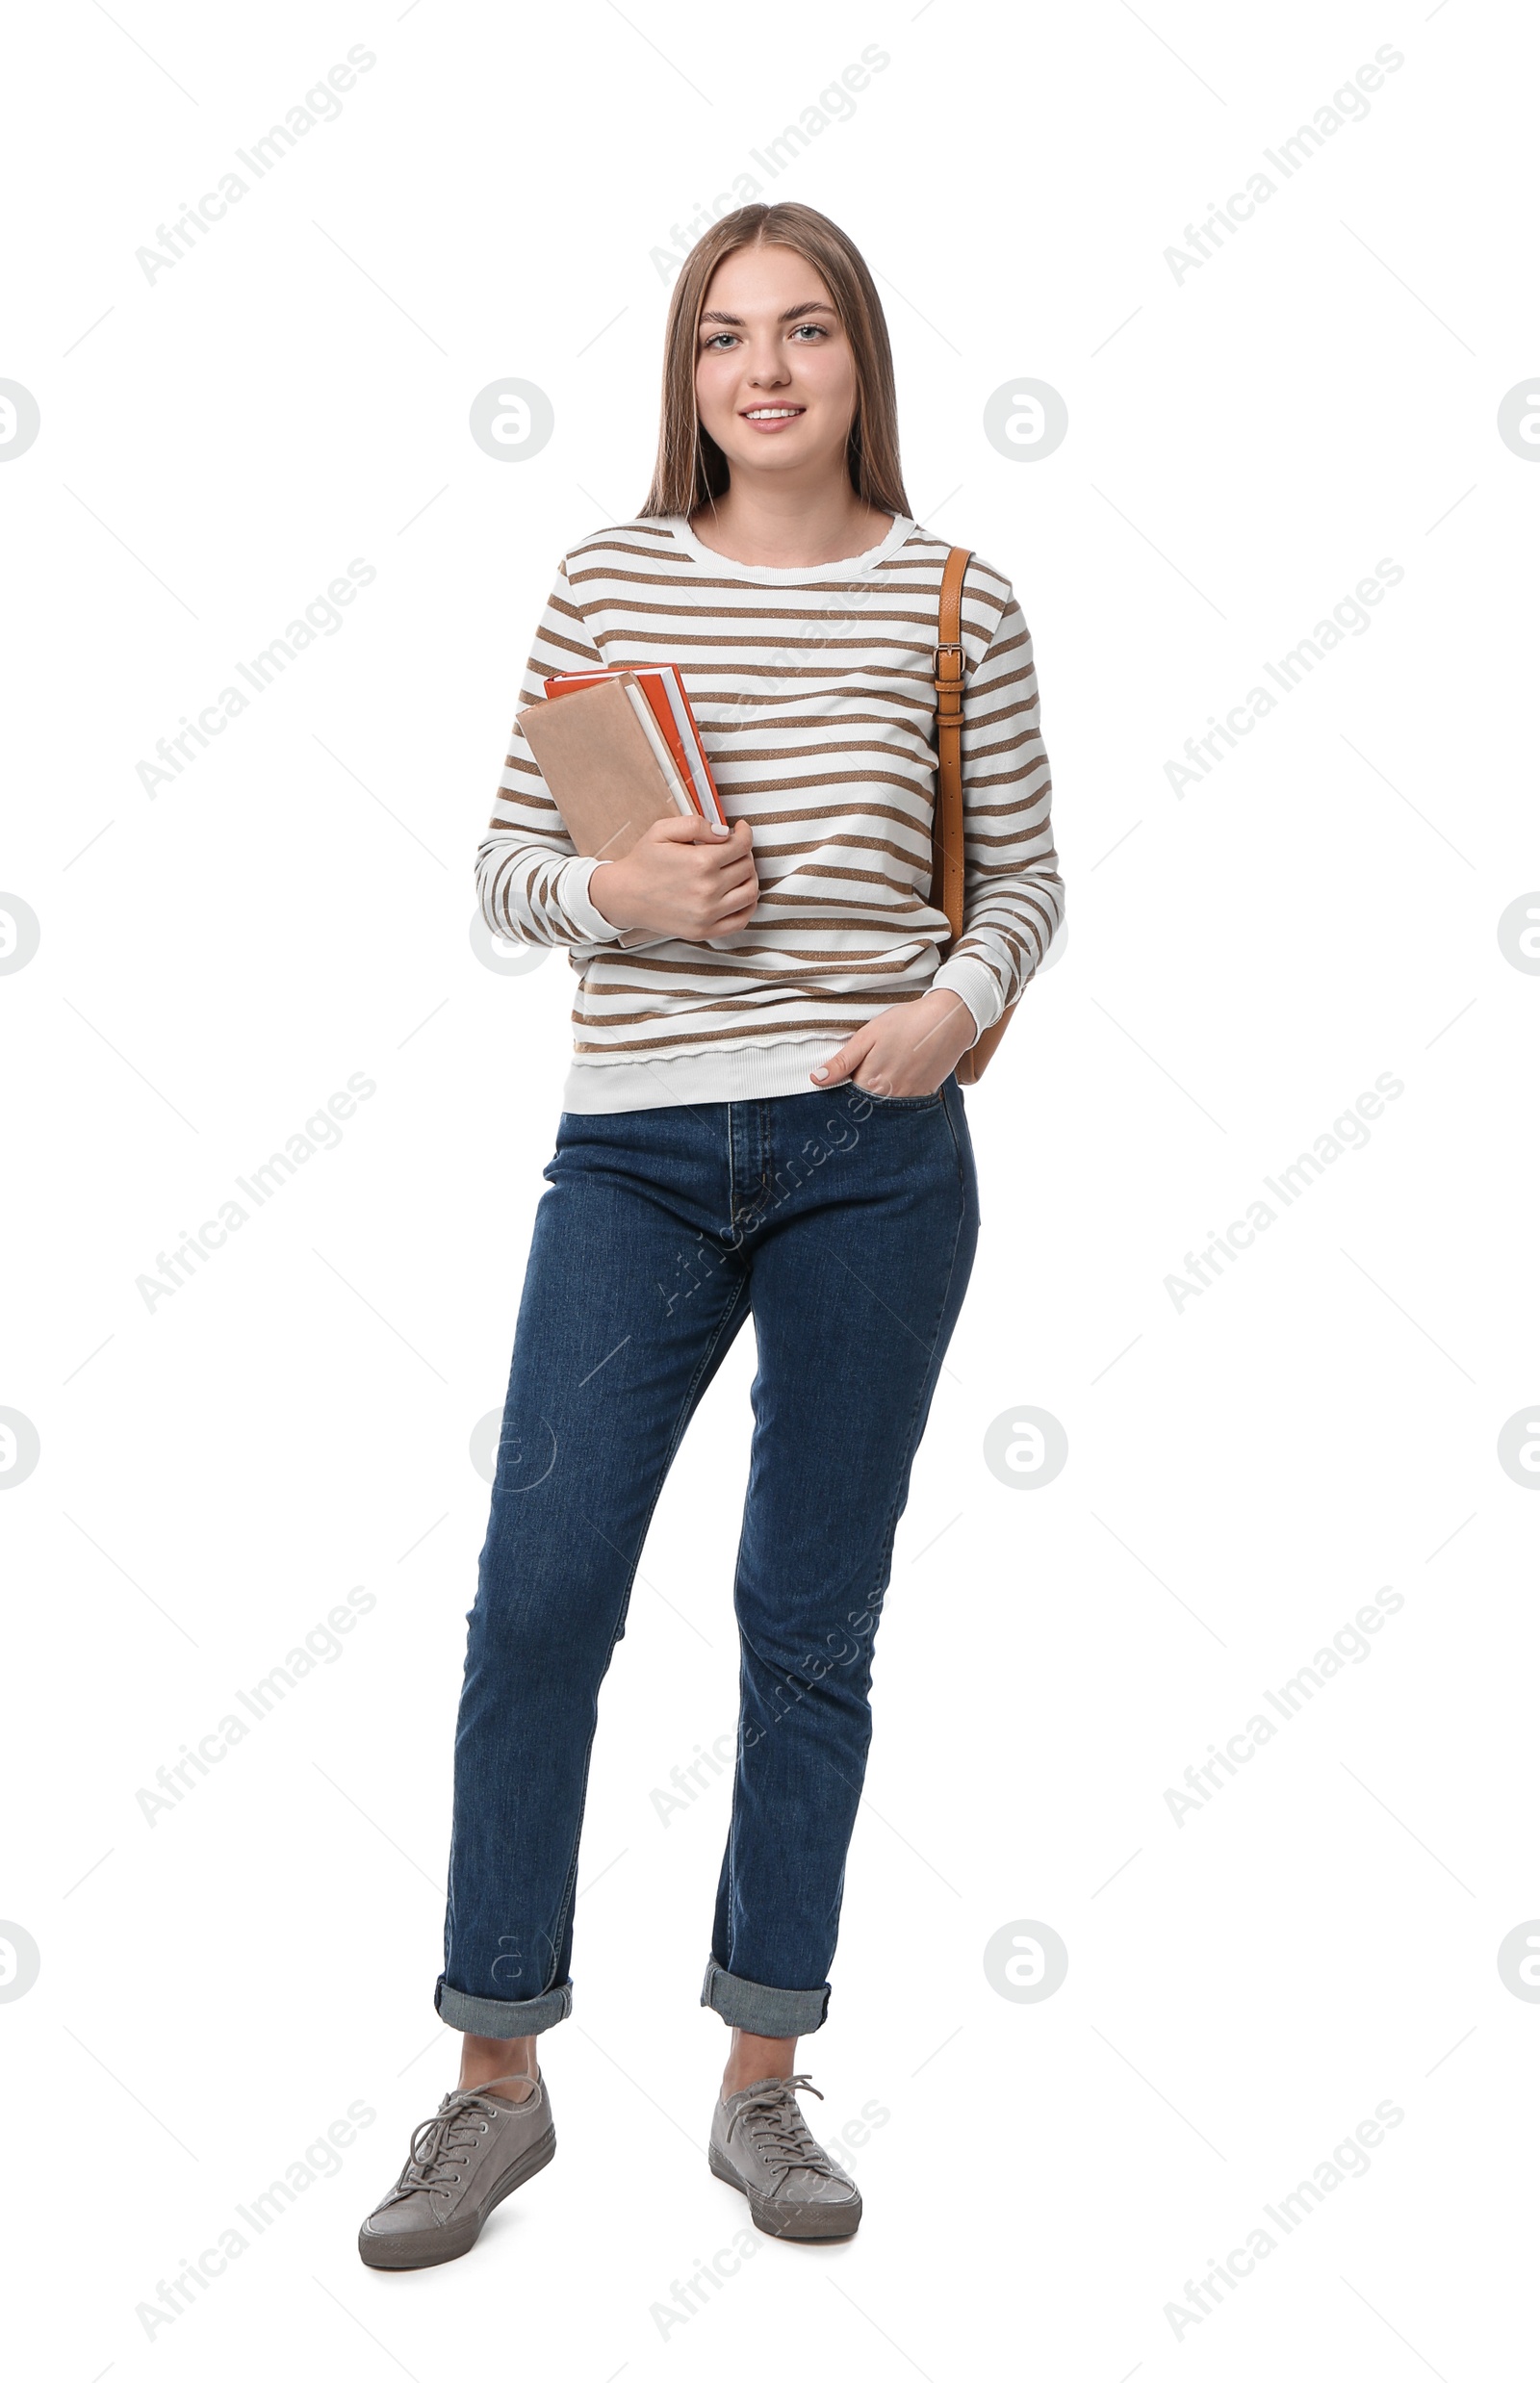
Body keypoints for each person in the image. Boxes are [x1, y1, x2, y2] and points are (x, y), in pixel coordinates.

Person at [358, 200, 1064, 2269]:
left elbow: (1020, 882)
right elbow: (505, 865)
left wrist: (955, 1007)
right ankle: (496, 2079)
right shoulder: (602, 578)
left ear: (858, 363)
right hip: (640, 1152)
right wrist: (616, 903)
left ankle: (764, 2080)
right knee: (537, 1595)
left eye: (805, 333)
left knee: (803, 1620)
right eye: (723, 338)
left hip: (876, 1152)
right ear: (685, 373)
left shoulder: (956, 598)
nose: (762, 370)